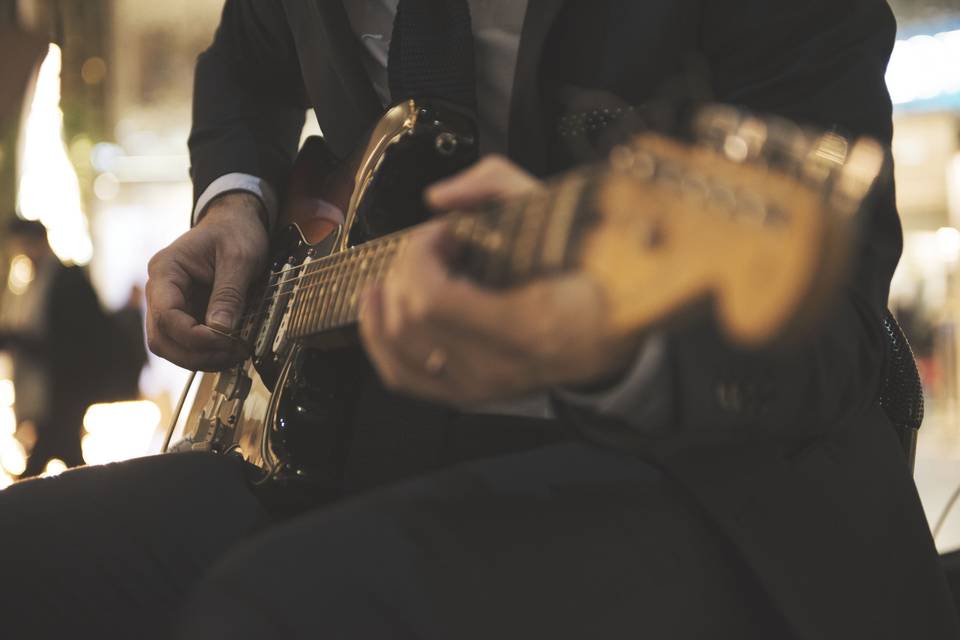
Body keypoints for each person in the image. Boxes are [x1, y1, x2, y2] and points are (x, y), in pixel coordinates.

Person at [1, 1, 957, 638]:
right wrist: (234, 201)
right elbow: (246, 61)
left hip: (708, 477)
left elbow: (828, 326)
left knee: (284, 608)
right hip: (362, 444)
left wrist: (603, 340)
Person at [0, 218, 112, 476]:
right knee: (68, 457)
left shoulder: (64, 279)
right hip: (54, 391)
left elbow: (73, 338)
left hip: (65, 388)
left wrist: (21, 340)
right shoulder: (33, 283)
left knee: (56, 455)